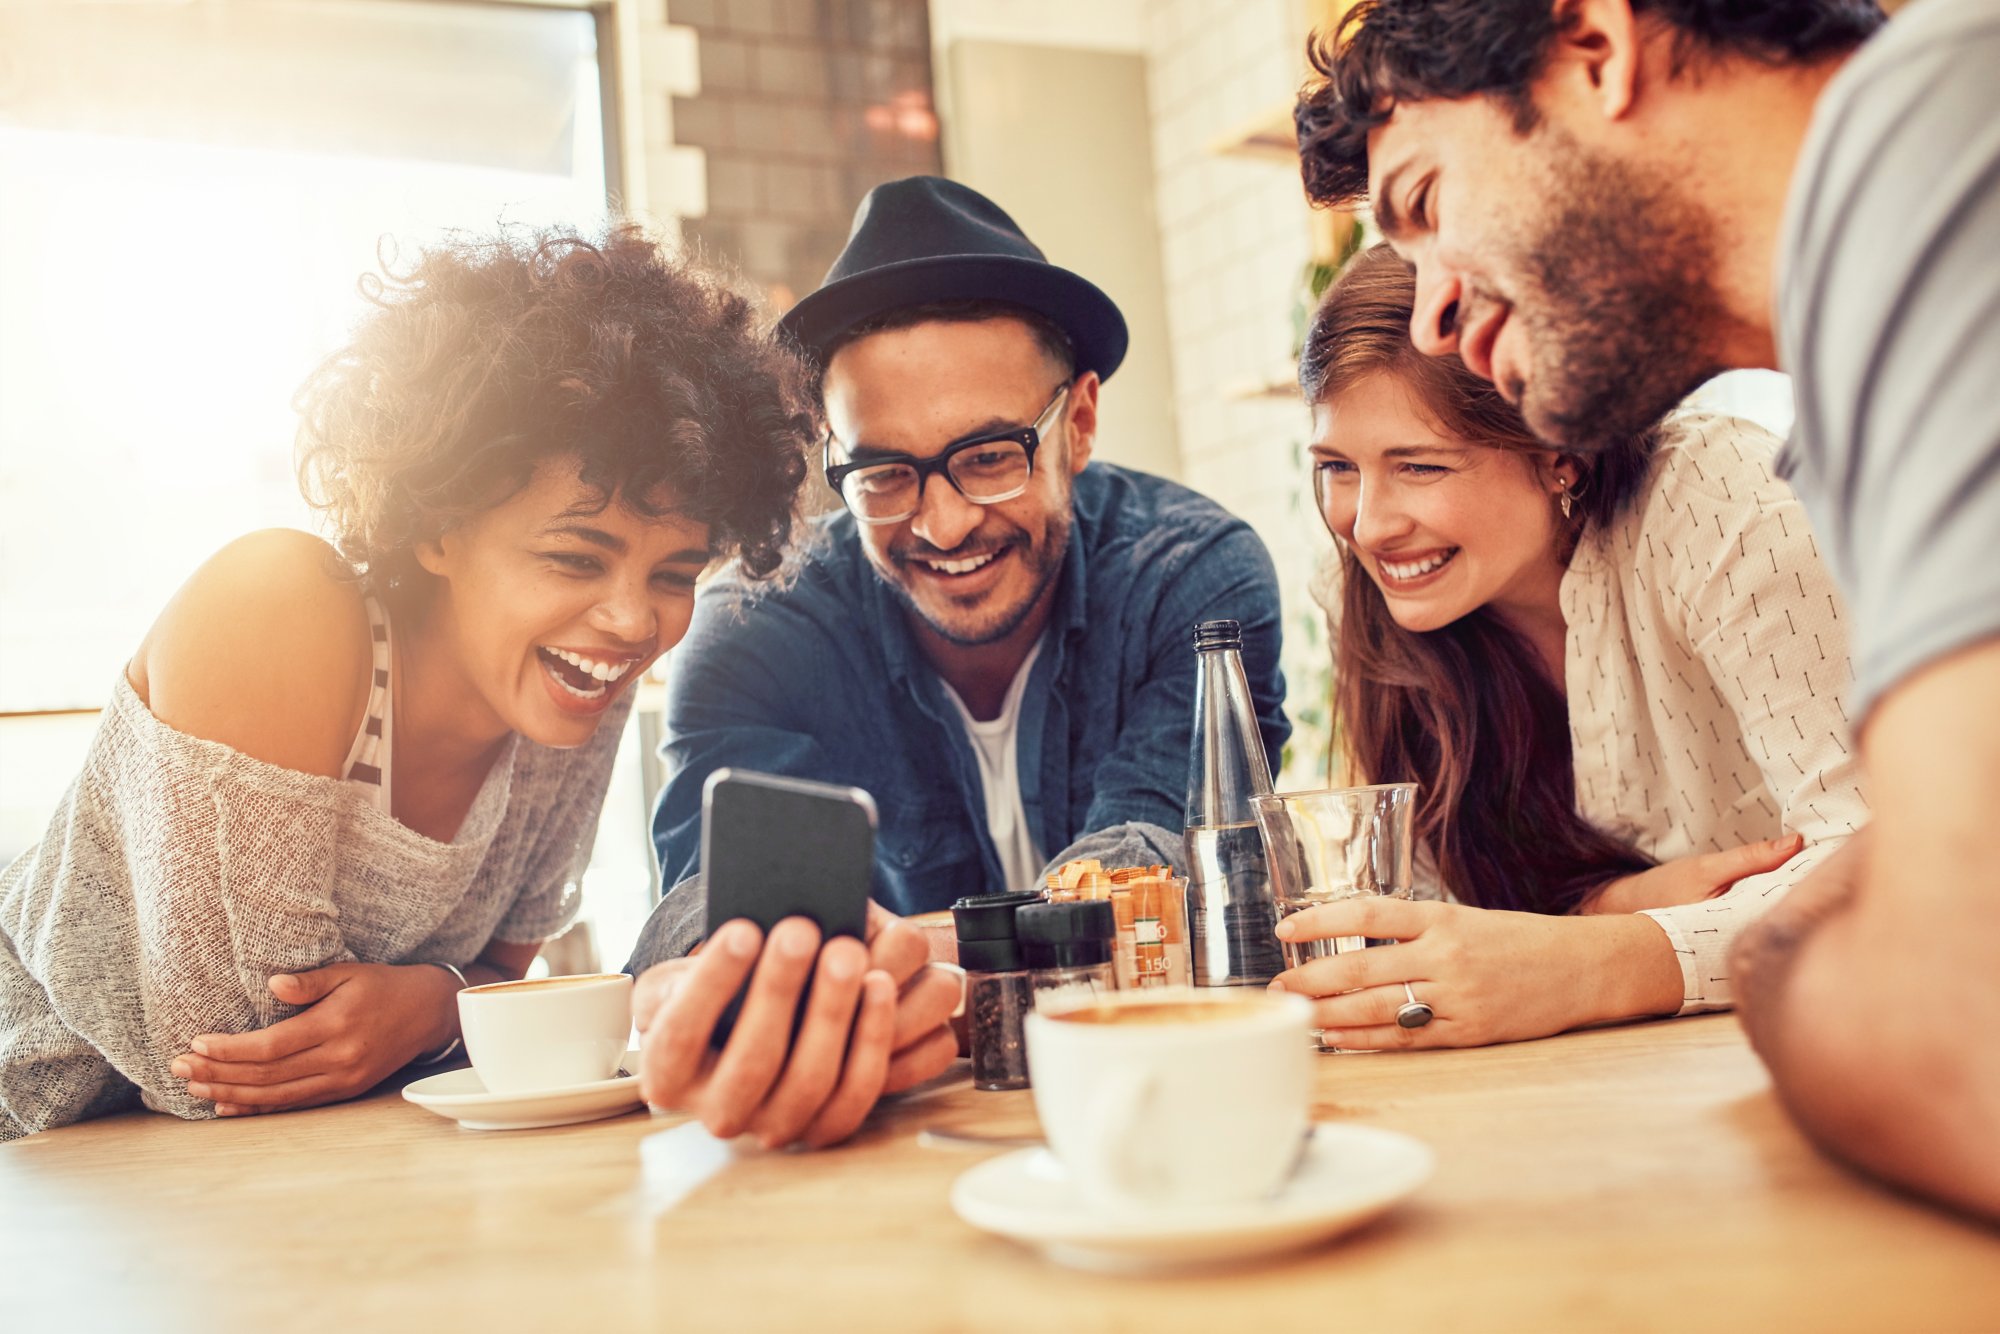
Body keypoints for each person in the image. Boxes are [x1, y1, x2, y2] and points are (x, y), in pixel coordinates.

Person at [1294, 0, 2000, 1217]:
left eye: (1423, 204)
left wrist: (1748, 950)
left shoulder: (1936, 135)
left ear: (1595, 49)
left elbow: (1950, 1031)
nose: (1427, 321)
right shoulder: (1842, 381)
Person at [0, 225, 816, 1138]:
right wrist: (448, 1010)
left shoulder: (574, 682)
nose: (634, 622)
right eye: (575, 557)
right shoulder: (277, 604)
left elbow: (498, 995)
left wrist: (434, 1006)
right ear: (436, 525)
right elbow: (229, 1063)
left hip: (218, 1187)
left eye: (675, 574)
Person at [625, 177, 1288, 1143]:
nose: (941, 525)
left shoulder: (1193, 581)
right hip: (884, 1140)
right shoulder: (755, 626)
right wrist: (726, 978)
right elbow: (706, 919)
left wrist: (889, 966)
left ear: (1083, 421)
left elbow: (1157, 881)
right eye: (886, 474)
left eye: (987, 456)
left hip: (1166, 1113)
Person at [1273, 244, 1866, 1049]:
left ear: (1560, 454)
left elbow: (1883, 858)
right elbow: (1437, 916)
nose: (1369, 524)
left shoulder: (1721, 501)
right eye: (1339, 466)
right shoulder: (1374, 597)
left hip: (1847, 1048)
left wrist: (1603, 960)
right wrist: (1608, 907)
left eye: (1419, 466)